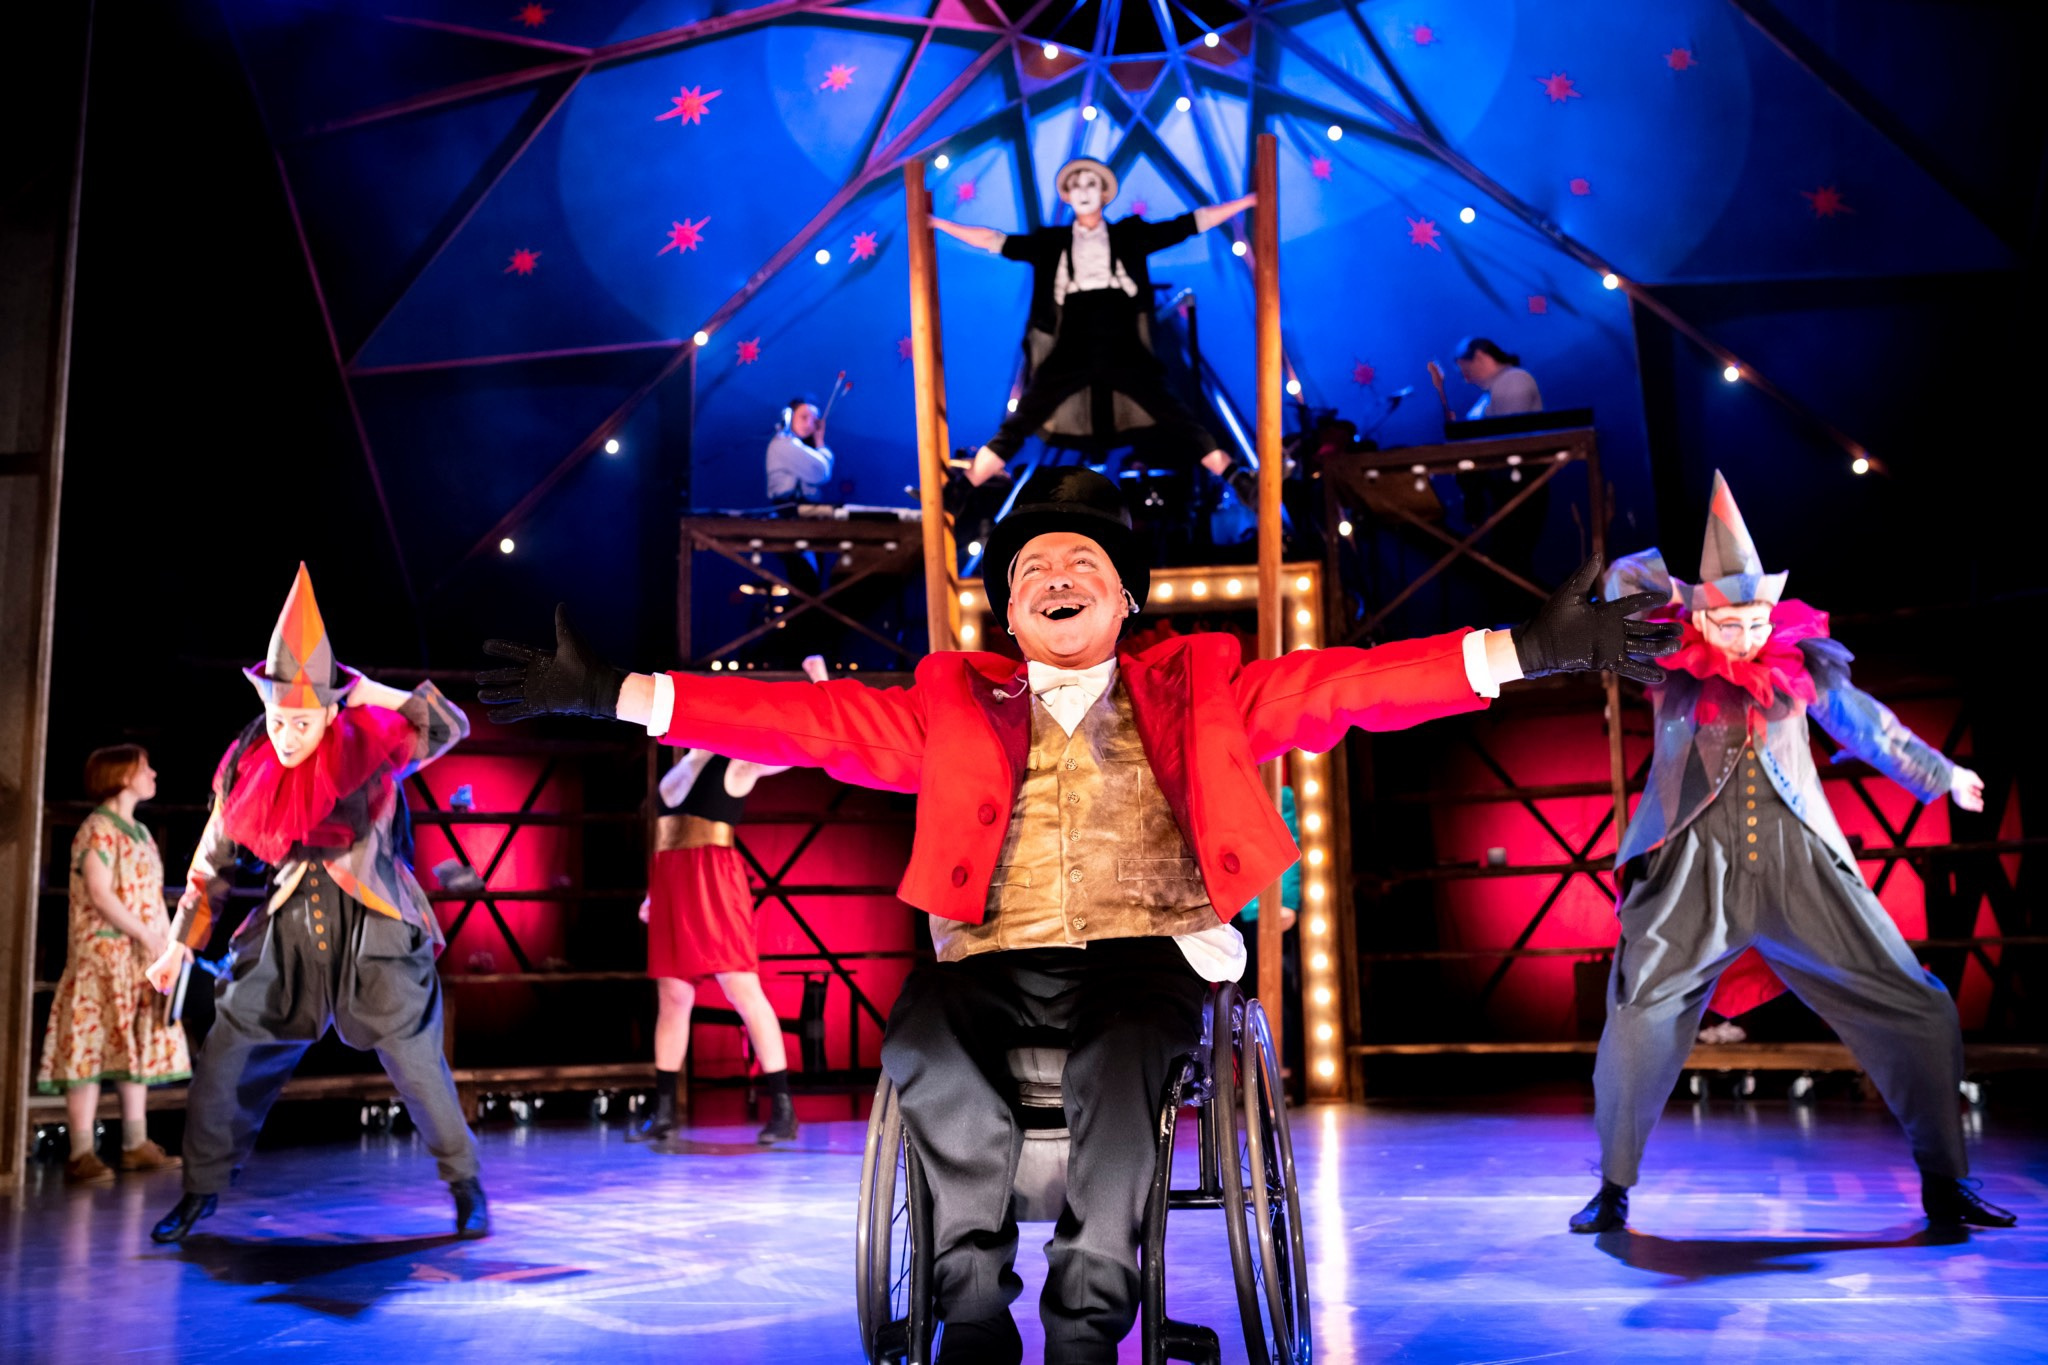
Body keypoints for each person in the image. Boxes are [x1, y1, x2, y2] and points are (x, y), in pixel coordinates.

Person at [478, 469, 1674, 1363]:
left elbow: (1346, 687)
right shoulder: (952, 700)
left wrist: (1518, 650)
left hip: (1144, 952)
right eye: (1034, 570)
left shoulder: (1202, 683)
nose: (1055, 578)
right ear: (1006, 608)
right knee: (926, 1035)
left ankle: (1090, 1318)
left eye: (1081, 568)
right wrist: (614, 695)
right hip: (990, 956)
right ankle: (970, 1313)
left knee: (1122, 1058)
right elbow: (804, 727)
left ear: (1121, 600)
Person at [1569, 472, 2015, 1234]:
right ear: (1703, 617)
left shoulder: (1799, 666)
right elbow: (1622, 582)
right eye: (1728, 622)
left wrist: (1942, 775)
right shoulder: (1667, 665)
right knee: (1638, 1018)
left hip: (1800, 866)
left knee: (1918, 1002)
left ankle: (1946, 1179)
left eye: (1754, 621)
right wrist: (1680, 596)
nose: (1743, 636)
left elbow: (1865, 723)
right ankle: (1612, 1187)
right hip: (1692, 873)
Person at [144, 565, 487, 1244]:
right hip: (289, 926)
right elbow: (214, 854)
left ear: (330, 710)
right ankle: (200, 1188)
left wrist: (366, 691)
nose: (287, 735)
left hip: (375, 923)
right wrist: (182, 942)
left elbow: (449, 724)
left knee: (417, 1060)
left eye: (302, 720)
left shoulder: (371, 742)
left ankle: (466, 1184)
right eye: (277, 719)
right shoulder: (250, 758)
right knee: (229, 1047)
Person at [935, 160, 1260, 504]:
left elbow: (1189, 224)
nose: (1084, 192)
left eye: (1091, 184)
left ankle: (1237, 479)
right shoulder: (1052, 241)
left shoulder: (1128, 235)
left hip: (1122, 337)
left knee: (1173, 411)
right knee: (1024, 416)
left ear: (1104, 193)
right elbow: (995, 241)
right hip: (1073, 338)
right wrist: (936, 223)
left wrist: (1248, 202)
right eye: (1076, 186)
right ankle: (961, 489)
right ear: (1068, 196)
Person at [631, 653, 831, 1149]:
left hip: (714, 883)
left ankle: (783, 1109)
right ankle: (662, 1114)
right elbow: (667, 837)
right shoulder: (679, 769)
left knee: (742, 990)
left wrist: (821, 686)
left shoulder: (736, 761)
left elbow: (806, 749)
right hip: (674, 885)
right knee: (673, 997)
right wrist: (654, 894)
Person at [36, 745, 192, 1184]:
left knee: (132, 1043)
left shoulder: (140, 833)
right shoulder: (98, 829)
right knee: (89, 1046)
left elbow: (152, 895)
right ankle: (81, 1150)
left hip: (136, 959)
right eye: (145, 768)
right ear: (123, 776)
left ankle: (134, 1143)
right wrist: (146, 935)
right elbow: (101, 893)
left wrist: (174, 943)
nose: (153, 774)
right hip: (101, 958)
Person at [1452, 337, 1541, 420]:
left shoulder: (1514, 379)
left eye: (1467, 371)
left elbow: (1509, 431)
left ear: (1480, 357)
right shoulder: (1491, 392)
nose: (1467, 380)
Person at [766, 396, 834, 505]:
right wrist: (820, 443)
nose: (809, 425)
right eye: (804, 417)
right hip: (788, 512)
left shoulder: (797, 445)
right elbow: (821, 472)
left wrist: (819, 440)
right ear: (789, 417)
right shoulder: (783, 444)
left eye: (814, 421)